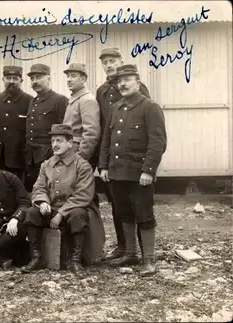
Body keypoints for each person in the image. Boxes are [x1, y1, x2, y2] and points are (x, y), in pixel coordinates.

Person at [98, 64, 167, 277]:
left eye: (127, 79)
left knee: (144, 215)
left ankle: (149, 260)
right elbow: (107, 140)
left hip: (139, 175)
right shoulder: (116, 108)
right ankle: (130, 253)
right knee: (124, 213)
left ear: (138, 82)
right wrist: (103, 166)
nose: (123, 84)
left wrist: (148, 170)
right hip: (117, 173)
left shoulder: (150, 107)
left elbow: (158, 142)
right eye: (120, 81)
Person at [22, 124, 105, 275]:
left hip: (75, 209)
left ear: (70, 142)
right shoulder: (46, 165)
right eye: (53, 141)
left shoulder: (82, 165)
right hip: (52, 209)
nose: (55, 145)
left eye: (59, 140)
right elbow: (39, 188)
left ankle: (76, 260)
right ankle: (37, 257)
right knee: (31, 213)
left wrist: (61, 214)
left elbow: (83, 195)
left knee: (78, 215)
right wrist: (43, 202)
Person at [95, 47, 151, 261]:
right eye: (105, 62)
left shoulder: (138, 89)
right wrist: (103, 162)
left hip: (134, 160)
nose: (109, 65)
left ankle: (143, 253)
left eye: (112, 60)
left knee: (138, 206)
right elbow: (104, 128)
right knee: (118, 205)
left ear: (121, 60)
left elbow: (145, 123)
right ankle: (124, 248)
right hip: (113, 160)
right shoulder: (102, 91)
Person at [24, 64, 68, 192]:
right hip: (31, 156)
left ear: (48, 79)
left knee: (51, 189)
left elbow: (64, 131)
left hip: (48, 155)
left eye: (38, 77)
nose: (35, 81)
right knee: (37, 190)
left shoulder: (60, 100)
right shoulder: (33, 101)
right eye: (32, 79)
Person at [0, 66, 33, 181]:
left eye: (15, 78)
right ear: (3, 79)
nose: (11, 81)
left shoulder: (29, 100)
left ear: (21, 81)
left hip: (18, 158)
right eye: (8, 78)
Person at [62, 63, 101, 173]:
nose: (69, 80)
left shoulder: (87, 100)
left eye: (73, 76)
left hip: (77, 156)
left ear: (83, 79)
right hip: (70, 153)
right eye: (68, 76)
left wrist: (80, 159)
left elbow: (91, 133)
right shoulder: (75, 99)